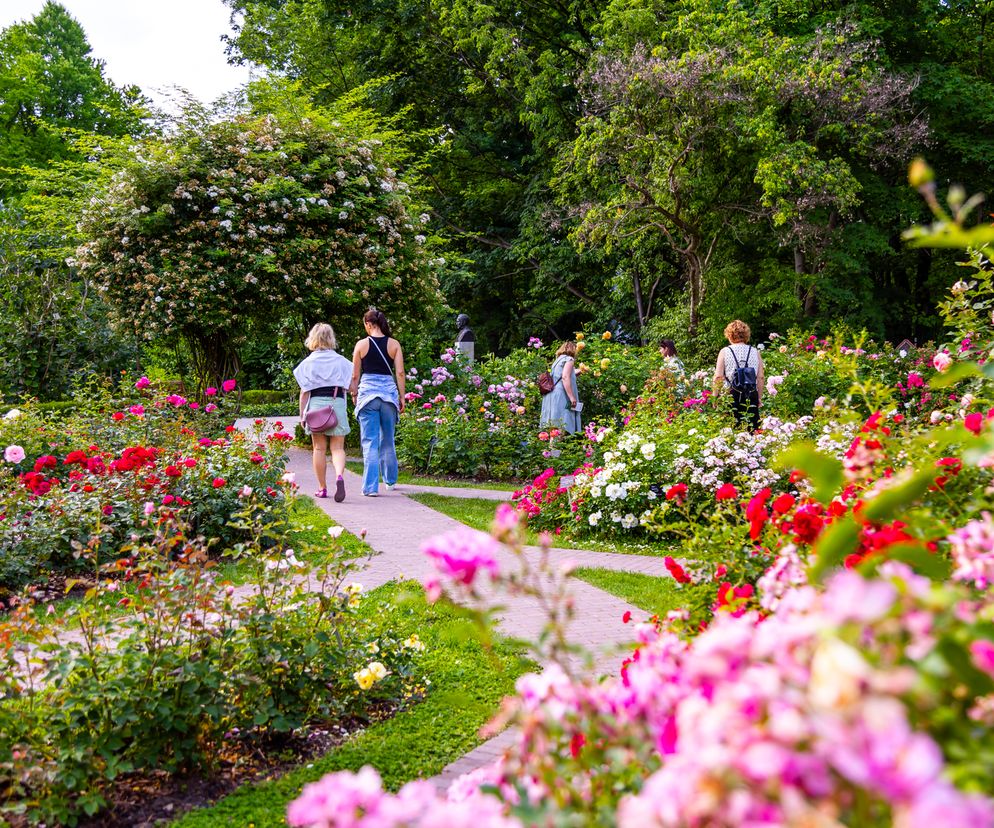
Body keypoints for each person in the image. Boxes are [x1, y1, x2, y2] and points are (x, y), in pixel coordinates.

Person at [294, 323, 353, 502]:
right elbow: (351, 387)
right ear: (331, 338)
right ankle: (339, 476)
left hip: (316, 405)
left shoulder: (308, 363)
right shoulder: (343, 362)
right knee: (337, 448)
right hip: (337, 403)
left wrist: (302, 415)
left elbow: (305, 392)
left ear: (313, 339)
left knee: (319, 448)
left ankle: (322, 488)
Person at [351, 308, 405, 497]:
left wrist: (354, 393)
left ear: (368, 324)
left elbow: (355, 374)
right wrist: (402, 396)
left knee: (370, 442)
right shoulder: (394, 344)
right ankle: (390, 482)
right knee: (388, 440)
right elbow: (399, 373)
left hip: (367, 397)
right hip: (388, 397)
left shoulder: (361, 345)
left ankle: (371, 487)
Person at [714, 319, 764, 430]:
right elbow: (760, 377)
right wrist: (759, 398)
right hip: (750, 394)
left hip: (730, 395)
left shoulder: (725, 351)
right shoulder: (755, 351)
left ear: (729, 335)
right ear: (746, 335)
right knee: (752, 428)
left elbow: (718, 377)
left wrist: (715, 396)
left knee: (731, 427)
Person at [539, 341, 581, 434]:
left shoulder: (557, 361)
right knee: (561, 424)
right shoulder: (569, 359)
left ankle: (551, 448)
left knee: (554, 427)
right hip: (560, 395)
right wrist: (571, 397)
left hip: (551, 394)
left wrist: (575, 373)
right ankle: (555, 448)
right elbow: (565, 377)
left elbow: (559, 375)